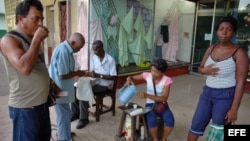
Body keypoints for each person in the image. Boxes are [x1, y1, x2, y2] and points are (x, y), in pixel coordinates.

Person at [187, 16, 249, 141]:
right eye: (221, 29)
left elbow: (241, 82)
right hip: (207, 93)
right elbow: (200, 68)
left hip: (225, 95)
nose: (224, 32)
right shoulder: (211, 48)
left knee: (220, 128)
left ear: (234, 32)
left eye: (229, 29)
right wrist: (204, 70)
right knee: (196, 123)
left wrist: (234, 108)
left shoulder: (239, 52)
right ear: (217, 31)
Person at [0, 0, 52, 141]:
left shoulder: (32, 38)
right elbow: (24, 68)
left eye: (42, 19)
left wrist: (50, 83)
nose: (40, 23)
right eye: (36, 18)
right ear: (21, 19)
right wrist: (36, 40)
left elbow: (39, 66)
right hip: (25, 109)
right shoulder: (9, 40)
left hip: (41, 105)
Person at [70, 40, 117, 129]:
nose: (94, 51)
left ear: (101, 48)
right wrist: (88, 74)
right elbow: (93, 71)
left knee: (83, 90)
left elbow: (113, 77)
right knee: (76, 86)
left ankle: (84, 118)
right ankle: (75, 113)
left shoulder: (110, 60)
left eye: (96, 49)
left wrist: (99, 75)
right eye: (93, 49)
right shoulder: (94, 57)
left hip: (104, 84)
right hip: (95, 80)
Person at [49, 32, 87, 141]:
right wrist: (78, 73)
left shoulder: (66, 50)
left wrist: (75, 72)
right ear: (73, 42)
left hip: (62, 88)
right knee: (63, 115)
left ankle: (64, 133)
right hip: (59, 89)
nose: (79, 50)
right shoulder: (63, 51)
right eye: (78, 47)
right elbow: (62, 75)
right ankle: (63, 138)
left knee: (65, 114)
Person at [125, 59, 175, 141]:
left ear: (161, 72)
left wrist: (147, 95)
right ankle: (155, 139)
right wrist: (128, 79)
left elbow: (164, 98)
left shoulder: (167, 80)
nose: (152, 73)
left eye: (155, 71)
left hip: (161, 104)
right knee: (152, 121)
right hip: (150, 104)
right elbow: (131, 77)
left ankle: (164, 138)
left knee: (170, 121)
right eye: (151, 70)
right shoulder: (147, 75)